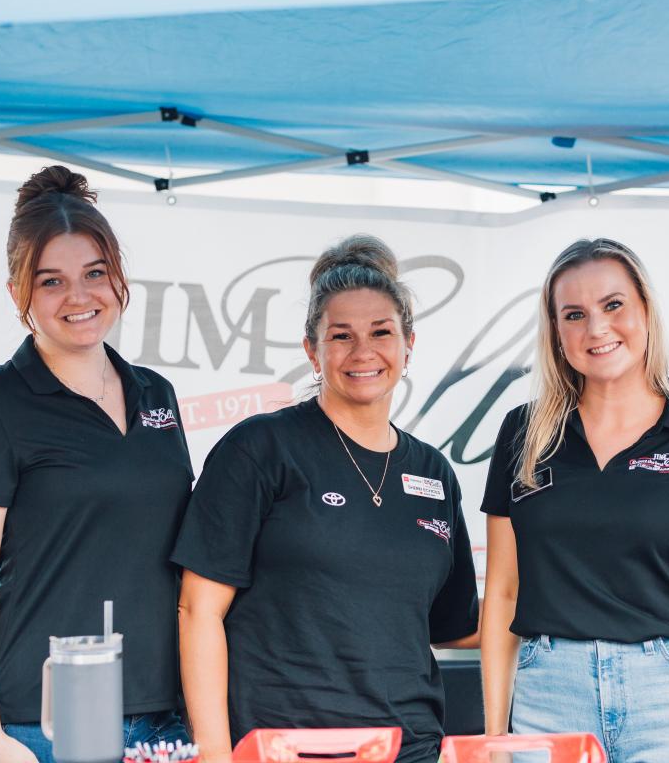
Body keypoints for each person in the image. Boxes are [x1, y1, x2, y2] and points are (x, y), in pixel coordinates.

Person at [173, 234, 479, 763]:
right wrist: (216, 754)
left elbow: (456, 627)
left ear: (408, 344)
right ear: (312, 350)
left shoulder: (433, 473)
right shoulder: (259, 449)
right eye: (341, 336)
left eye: (381, 332)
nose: (363, 352)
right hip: (284, 748)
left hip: (409, 748)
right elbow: (197, 609)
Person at [0, 166, 194, 763]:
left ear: (119, 277)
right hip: (39, 725)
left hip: (161, 720)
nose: (79, 297)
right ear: (18, 294)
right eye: (51, 281)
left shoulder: (156, 394)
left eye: (95, 273)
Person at [481, 238, 669, 763]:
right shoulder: (523, 433)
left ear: (646, 311)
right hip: (550, 696)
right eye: (574, 314)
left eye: (613, 305)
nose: (597, 328)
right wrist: (495, 737)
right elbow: (502, 593)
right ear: (556, 332)